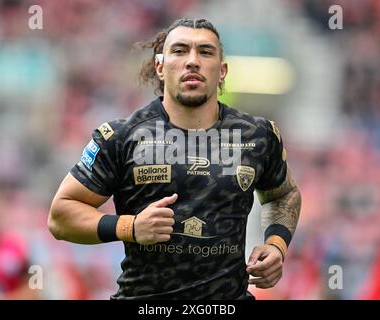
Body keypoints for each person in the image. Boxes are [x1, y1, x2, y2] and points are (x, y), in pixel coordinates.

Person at [48, 18, 301, 300]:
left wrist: (276, 244)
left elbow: (284, 194)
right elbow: (60, 216)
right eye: (180, 51)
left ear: (222, 71)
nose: (192, 61)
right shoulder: (120, 136)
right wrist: (129, 227)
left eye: (205, 52)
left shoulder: (259, 135)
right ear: (160, 66)